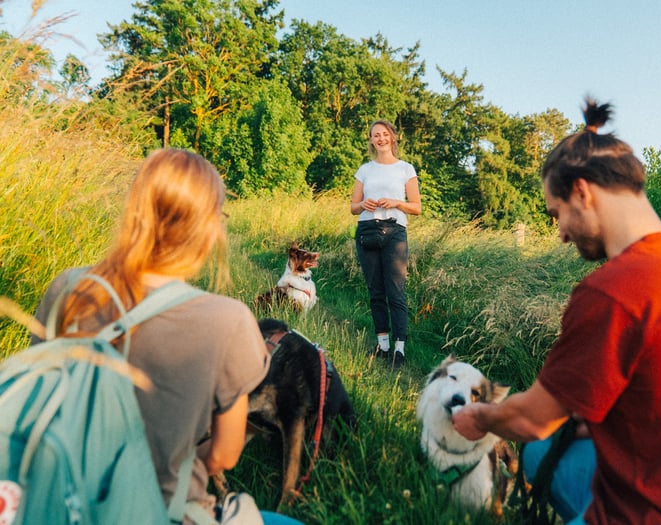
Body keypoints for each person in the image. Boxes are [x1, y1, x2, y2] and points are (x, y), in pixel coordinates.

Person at [452, 99, 661, 524]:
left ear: (581, 190)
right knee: (551, 447)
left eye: (556, 213)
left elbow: (531, 421)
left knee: (538, 443)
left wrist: (479, 417)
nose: (561, 233)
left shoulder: (613, 291)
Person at [33, 148, 303, 525]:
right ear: (207, 227)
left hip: (59, 504)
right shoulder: (229, 320)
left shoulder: (69, 288)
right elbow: (224, 457)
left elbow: (43, 399)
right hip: (165, 512)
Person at [350, 119, 422, 370]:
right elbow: (353, 207)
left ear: (392, 137)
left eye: (384, 134)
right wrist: (363, 205)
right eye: (375, 135)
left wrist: (396, 202)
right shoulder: (365, 170)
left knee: (396, 292)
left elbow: (417, 207)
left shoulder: (405, 169)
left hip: (395, 233)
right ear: (370, 140)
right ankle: (383, 346)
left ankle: (399, 350)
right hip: (367, 231)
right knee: (375, 291)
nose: (380, 138)